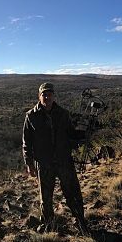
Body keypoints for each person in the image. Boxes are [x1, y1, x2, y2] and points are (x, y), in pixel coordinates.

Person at [22, 82, 89, 234]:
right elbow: (27, 142)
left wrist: (84, 134)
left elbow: (71, 134)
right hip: (44, 163)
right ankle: (49, 224)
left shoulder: (63, 114)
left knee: (72, 192)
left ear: (53, 95)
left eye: (49, 94)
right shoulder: (31, 116)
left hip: (64, 160)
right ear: (39, 96)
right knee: (45, 197)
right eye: (44, 94)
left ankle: (80, 222)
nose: (47, 97)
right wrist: (29, 164)